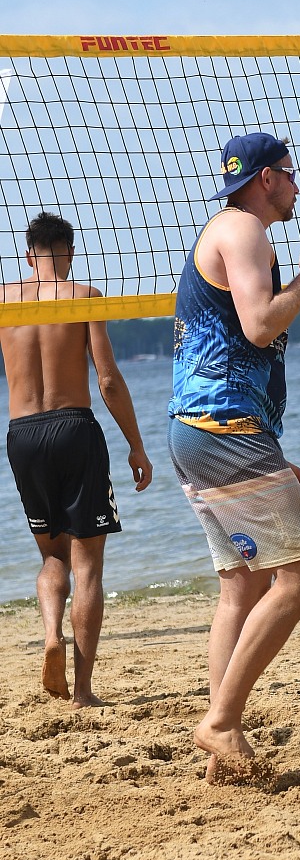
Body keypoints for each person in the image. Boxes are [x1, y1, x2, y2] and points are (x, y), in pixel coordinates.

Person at [168, 131, 300, 783]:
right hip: (223, 429)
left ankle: (223, 746)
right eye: (290, 174)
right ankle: (220, 722)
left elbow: (240, 338)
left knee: (241, 587)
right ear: (266, 178)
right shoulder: (244, 230)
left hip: (202, 431)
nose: (296, 186)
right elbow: (261, 326)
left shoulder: (230, 230)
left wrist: (267, 448)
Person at [0, 211, 153, 707]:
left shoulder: (4, 300)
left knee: (52, 557)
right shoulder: (84, 296)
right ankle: (83, 691)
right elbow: (107, 379)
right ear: (70, 251)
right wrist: (136, 444)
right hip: (74, 428)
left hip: (22, 434)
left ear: (29, 255)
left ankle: (51, 635)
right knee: (88, 566)